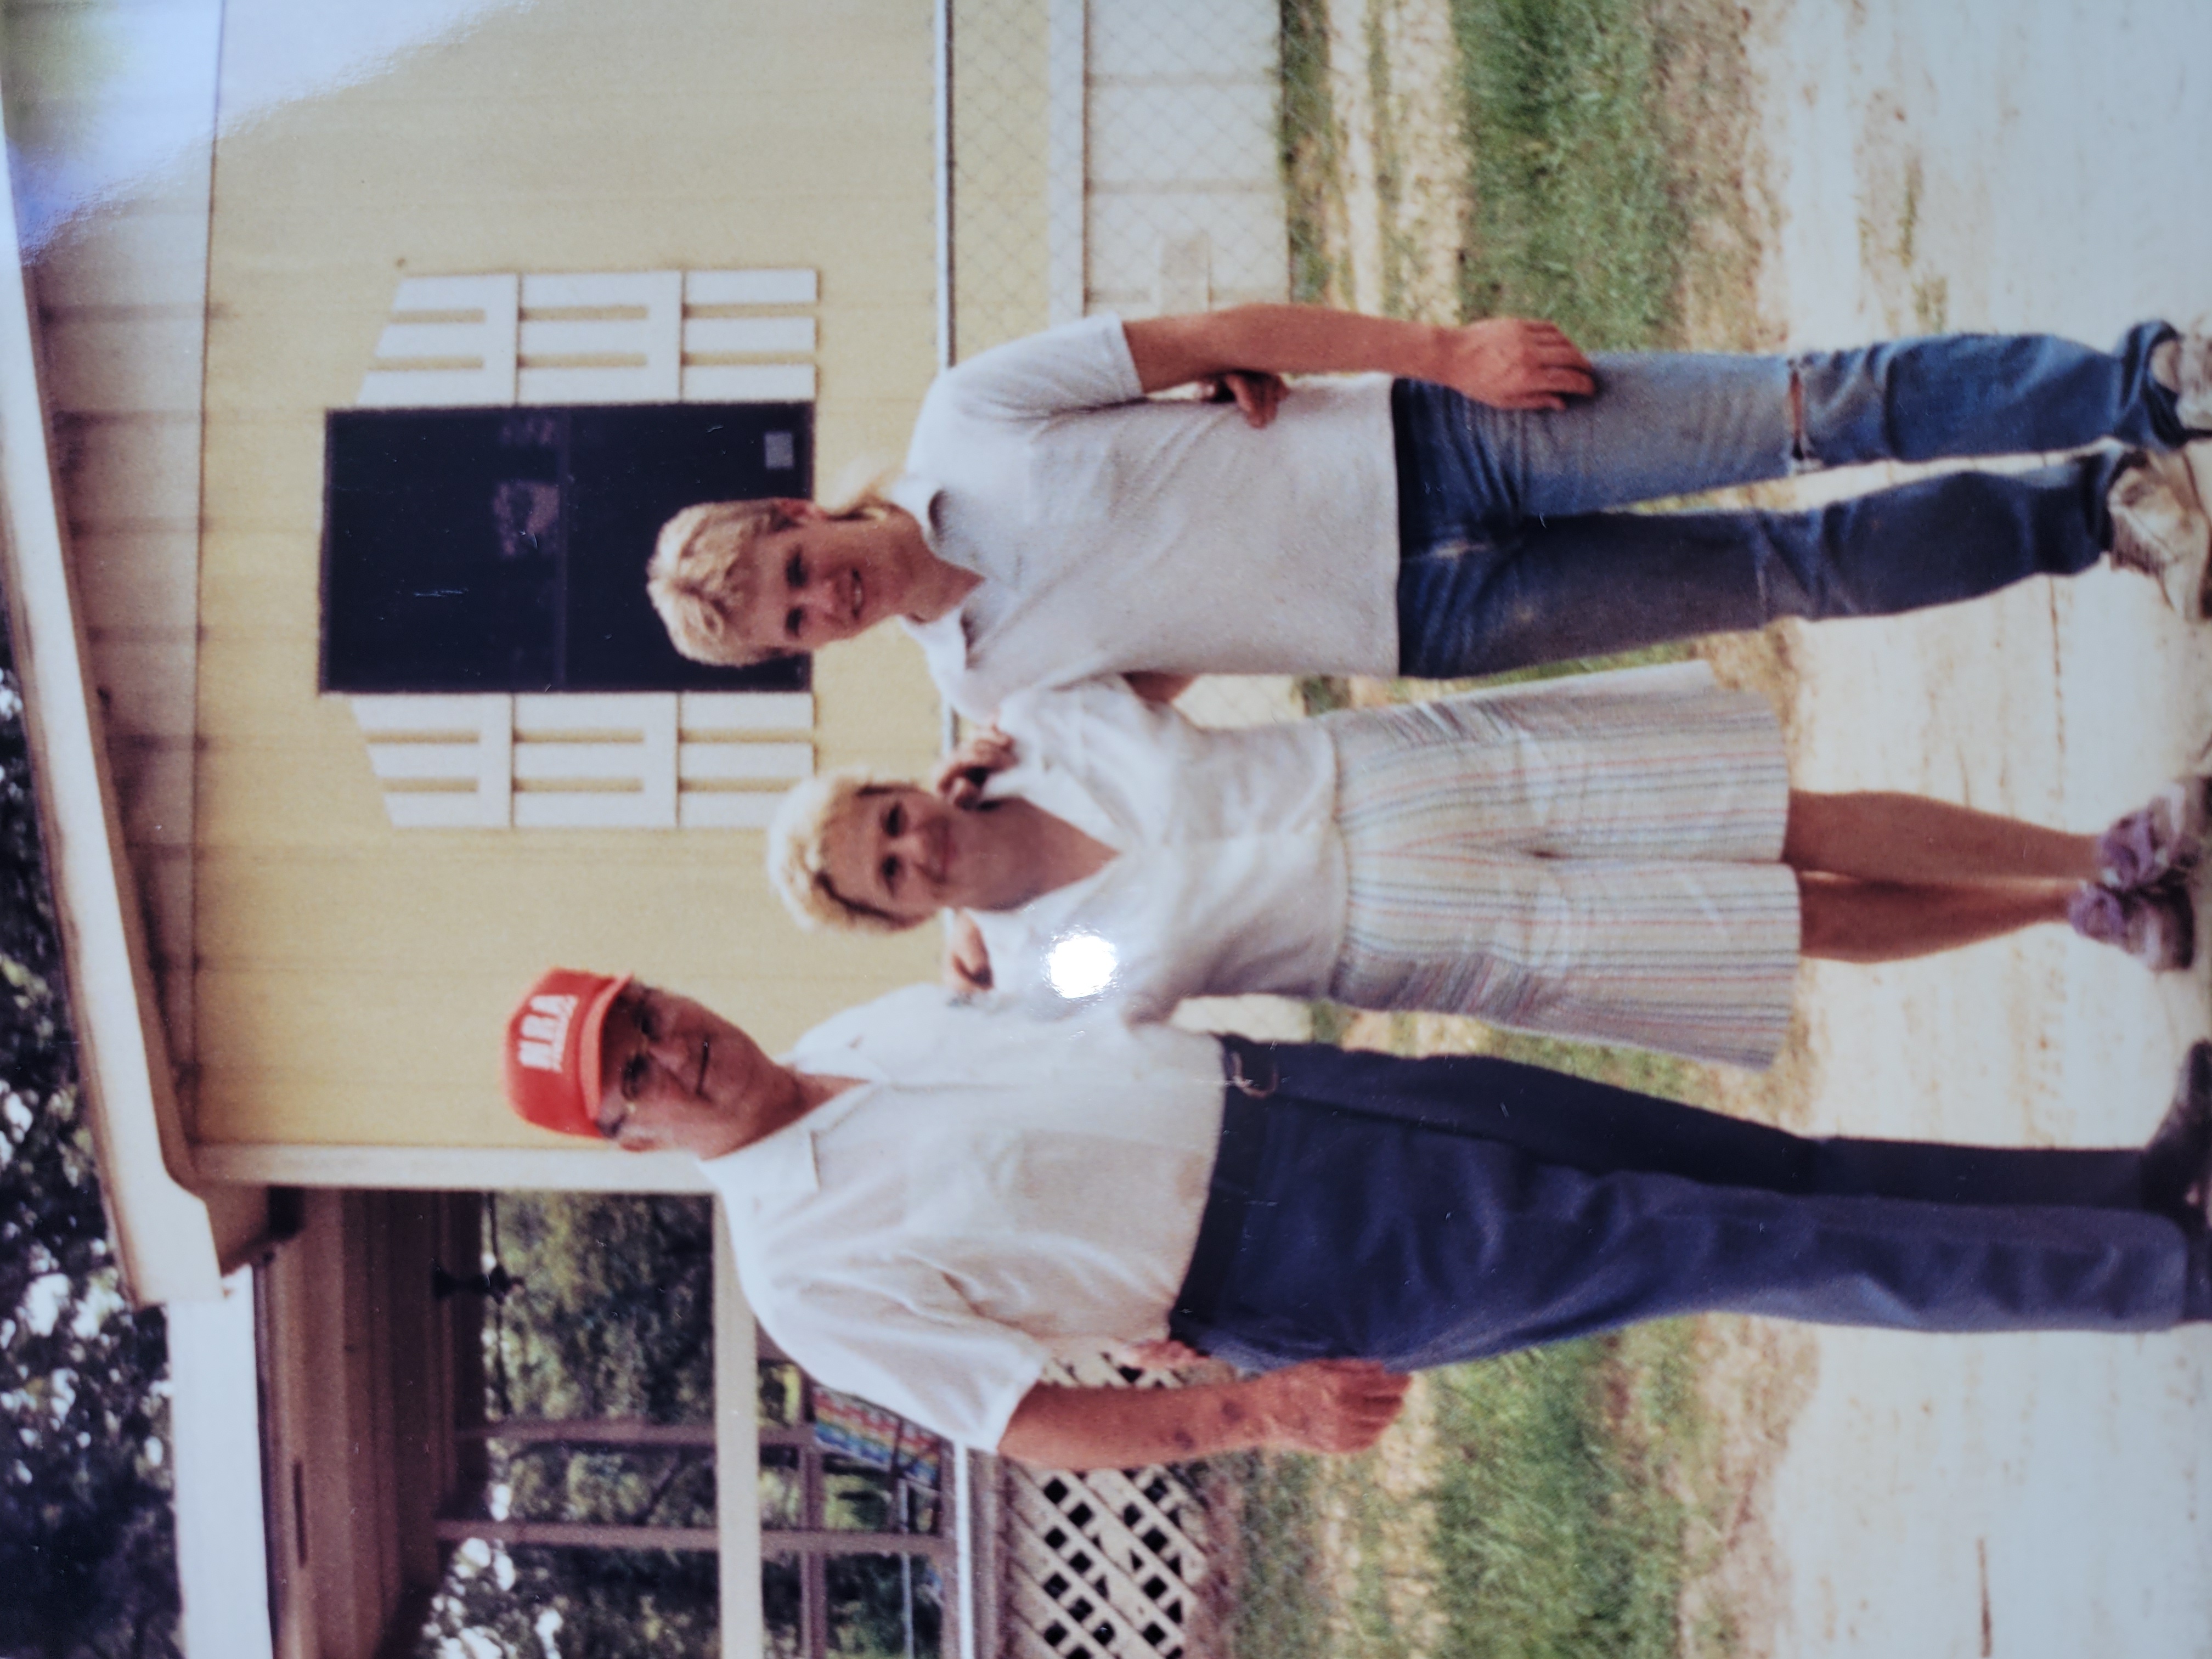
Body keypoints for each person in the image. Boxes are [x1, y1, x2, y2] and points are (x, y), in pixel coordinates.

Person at [503, 969, 2212, 1469]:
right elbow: (1025, 1425)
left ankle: (2130, 1198)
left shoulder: (860, 1027)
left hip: (1320, 1100)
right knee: (1732, 1245)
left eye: (647, 1013)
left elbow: (1081, 1012)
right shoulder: (801, 1273)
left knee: (1772, 1175)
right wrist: (1255, 1408)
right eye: (633, 1075)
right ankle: (2167, 1276)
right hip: (1312, 1259)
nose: (675, 1049)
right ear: (640, 1139)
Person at [643, 304, 2212, 719]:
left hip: (1441, 445)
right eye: (795, 624)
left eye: (797, 566)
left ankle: (2138, 384)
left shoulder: (966, 416)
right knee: (1789, 572)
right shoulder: (981, 687)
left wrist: (1443, 355)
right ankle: (2107, 516)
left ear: (797, 509)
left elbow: (1208, 336)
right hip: (1433, 621)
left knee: (1814, 407)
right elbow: (1163, 666)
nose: (820, 600)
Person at [761, 672, 2203, 1069]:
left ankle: (2108, 848)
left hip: (1418, 776)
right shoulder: (1027, 989)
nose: (911, 846)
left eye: (888, 816)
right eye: (888, 874)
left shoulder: (1052, 723)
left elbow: (1189, 620)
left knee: (1781, 818)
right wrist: (973, 988)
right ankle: (2067, 913)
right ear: (898, 915)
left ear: (906, 783)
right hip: (1412, 928)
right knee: (1774, 929)